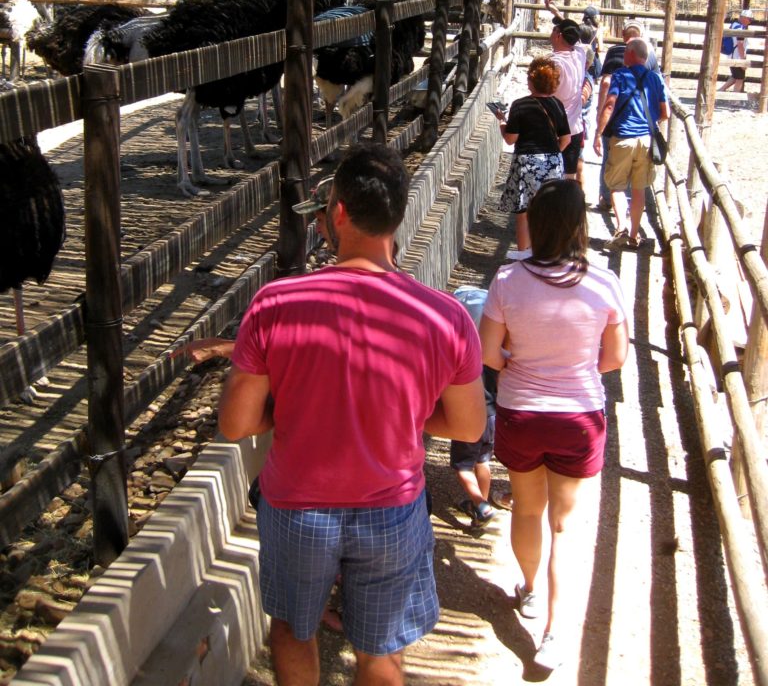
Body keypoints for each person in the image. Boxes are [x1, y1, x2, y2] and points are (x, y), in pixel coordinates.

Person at [198, 143, 486, 686]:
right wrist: (402, 414)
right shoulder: (444, 316)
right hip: (393, 511)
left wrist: (290, 414)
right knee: (381, 653)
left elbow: (236, 424)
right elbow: (469, 427)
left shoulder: (275, 304)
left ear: (339, 213)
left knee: (293, 631)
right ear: (397, 218)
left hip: (297, 510)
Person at [480, 180, 629, 672]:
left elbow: (488, 355)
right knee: (564, 526)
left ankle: (528, 588)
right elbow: (614, 359)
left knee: (526, 510)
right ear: (579, 227)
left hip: (522, 412)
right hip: (578, 417)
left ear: (537, 225)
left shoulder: (507, 280)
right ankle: (553, 631)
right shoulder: (605, 282)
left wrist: (521, 358)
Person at [593, 37, 670, 249]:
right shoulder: (656, 79)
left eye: (626, 51)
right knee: (639, 189)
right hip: (646, 140)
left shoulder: (620, 75)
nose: (624, 54)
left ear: (632, 54)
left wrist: (599, 134)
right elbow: (666, 113)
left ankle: (621, 227)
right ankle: (635, 235)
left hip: (623, 138)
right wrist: (649, 120)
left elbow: (609, 105)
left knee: (617, 186)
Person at [495, 56, 571, 258]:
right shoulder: (557, 105)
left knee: (524, 212)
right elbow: (566, 138)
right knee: (548, 210)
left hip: (526, 162)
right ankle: (548, 253)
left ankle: (524, 255)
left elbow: (511, 139)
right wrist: (553, 155)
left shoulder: (521, 105)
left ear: (531, 81)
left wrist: (502, 123)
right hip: (553, 161)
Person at [593, 19, 658, 210]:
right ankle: (630, 211)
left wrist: (600, 117)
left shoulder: (614, 52)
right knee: (638, 171)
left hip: (615, 119)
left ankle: (606, 198)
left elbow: (605, 83)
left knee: (609, 157)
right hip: (641, 121)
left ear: (623, 36)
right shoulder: (650, 57)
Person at [450, 286, 498, 529]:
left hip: (470, 417)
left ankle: (480, 503)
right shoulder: (492, 356)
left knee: (463, 465)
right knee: (483, 460)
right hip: (491, 418)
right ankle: (482, 501)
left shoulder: (461, 358)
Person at [548, 15, 588, 183]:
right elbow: (573, 34)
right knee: (568, 180)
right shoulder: (580, 53)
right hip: (574, 128)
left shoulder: (553, 63)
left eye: (554, 29)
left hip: (554, 128)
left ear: (558, 35)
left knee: (548, 178)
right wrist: (554, 11)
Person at [720, 8, 753, 93]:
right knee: (740, 79)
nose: (750, 21)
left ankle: (721, 90)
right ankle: (735, 100)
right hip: (737, 56)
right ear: (744, 18)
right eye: (750, 19)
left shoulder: (734, 24)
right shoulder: (740, 28)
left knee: (735, 76)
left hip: (732, 55)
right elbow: (740, 44)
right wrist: (743, 60)